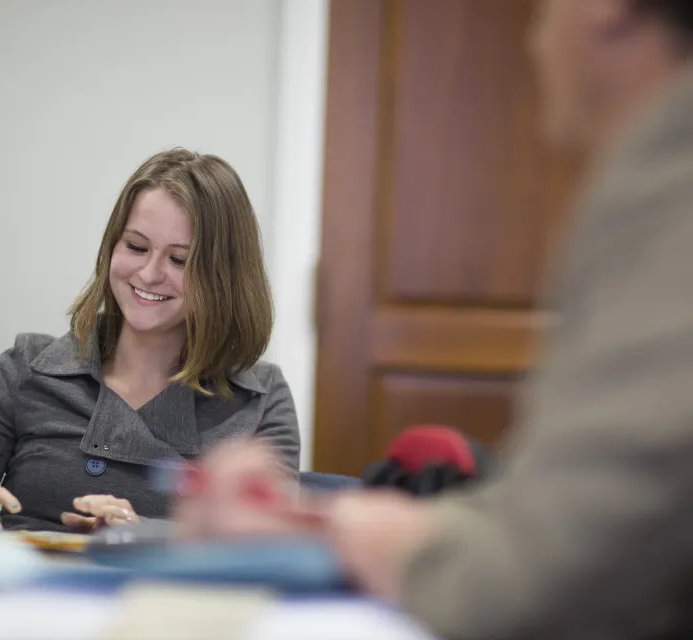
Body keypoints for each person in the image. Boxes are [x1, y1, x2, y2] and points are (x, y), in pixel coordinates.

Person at [176, 1, 693, 638]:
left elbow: (558, 567)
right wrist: (328, 522)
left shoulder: (668, 186)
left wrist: (339, 529)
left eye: (542, 9)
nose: (534, 41)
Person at [0, 148, 300, 533]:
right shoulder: (22, 368)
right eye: (136, 247)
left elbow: (268, 548)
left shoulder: (261, 400)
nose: (148, 273)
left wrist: (140, 535)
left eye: (180, 260)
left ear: (223, 277)